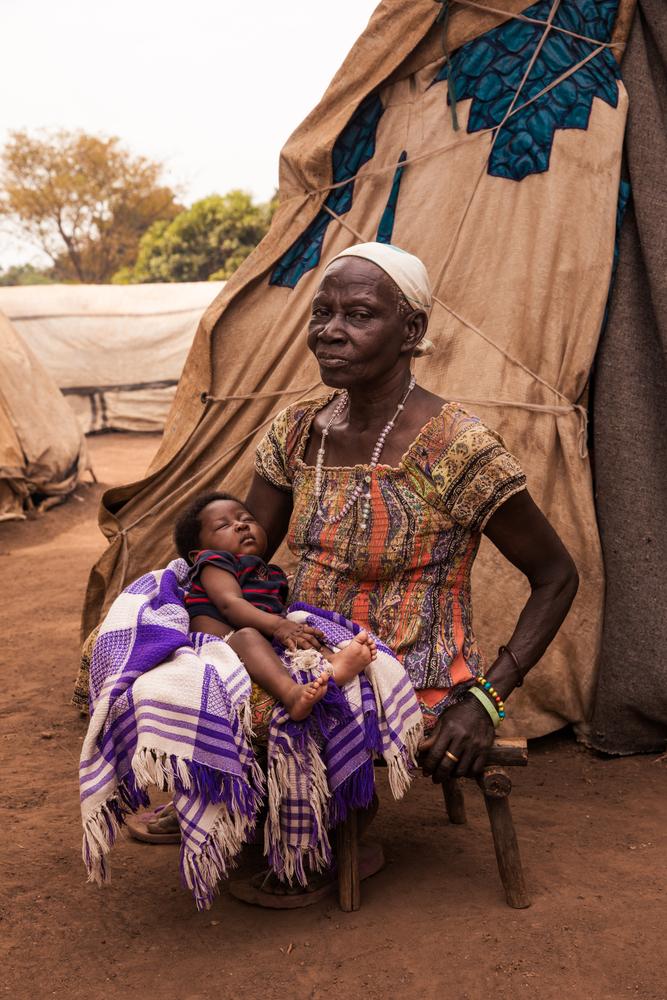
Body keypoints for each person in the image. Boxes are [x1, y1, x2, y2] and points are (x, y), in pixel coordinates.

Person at [134, 241, 579, 885]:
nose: (330, 332)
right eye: (322, 313)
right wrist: (186, 602)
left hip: (402, 658)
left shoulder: (458, 448)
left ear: (412, 331)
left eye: (359, 315)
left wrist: (487, 699)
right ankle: (226, 796)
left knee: (292, 704)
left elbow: (557, 576)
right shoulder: (296, 431)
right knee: (153, 654)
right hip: (301, 637)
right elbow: (241, 549)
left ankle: (292, 822)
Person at [173, 491, 378, 720]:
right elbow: (230, 604)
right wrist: (279, 626)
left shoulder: (271, 574)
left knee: (302, 625)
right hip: (222, 640)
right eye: (223, 526)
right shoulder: (213, 562)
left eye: (247, 519)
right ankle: (291, 695)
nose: (241, 525)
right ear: (197, 553)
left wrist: (290, 627)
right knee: (250, 635)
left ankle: (331, 664)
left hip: (261, 636)